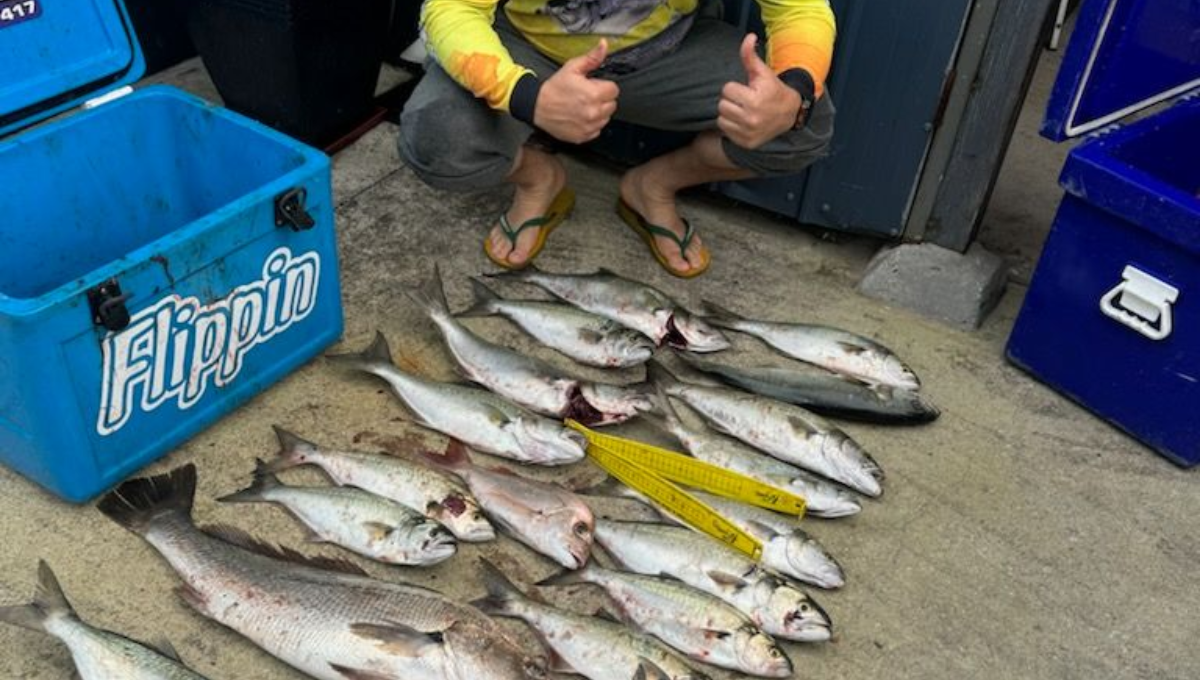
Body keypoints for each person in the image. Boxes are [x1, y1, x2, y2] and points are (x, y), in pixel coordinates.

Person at [399, 0, 836, 278]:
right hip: (533, 56)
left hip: (669, 55)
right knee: (437, 138)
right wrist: (524, 95)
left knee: (802, 126)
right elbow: (449, 8)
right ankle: (539, 179)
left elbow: (800, 9)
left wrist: (793, 91)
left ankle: (653, 186)